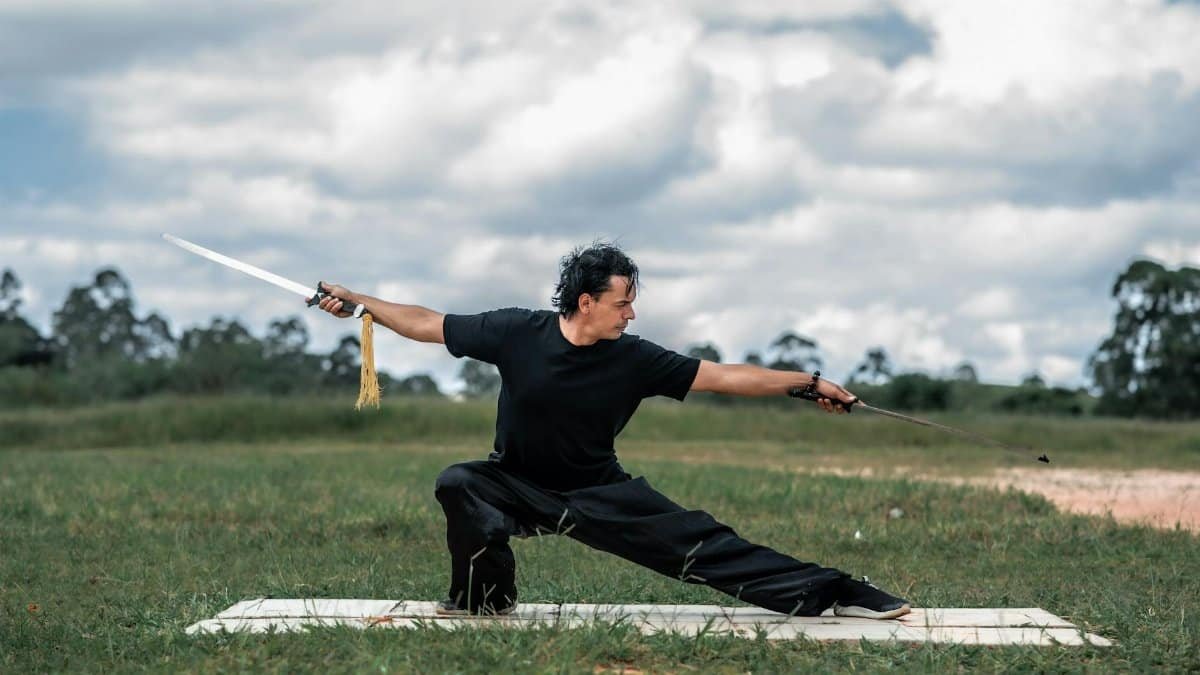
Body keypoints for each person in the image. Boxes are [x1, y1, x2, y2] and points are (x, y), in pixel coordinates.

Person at [316, 242, 910, 619]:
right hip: (514, 482)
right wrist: (361, 303)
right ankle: (484, 601)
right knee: (458, 483)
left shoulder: (635, 359)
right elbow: (424, 322)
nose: (632, 314)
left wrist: (808, 383)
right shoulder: (515, 331)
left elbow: (726, 376)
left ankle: (837, 591)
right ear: (586, 302)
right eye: (624, 303)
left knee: (703, 547)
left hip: (597, 492)